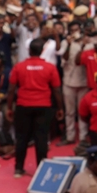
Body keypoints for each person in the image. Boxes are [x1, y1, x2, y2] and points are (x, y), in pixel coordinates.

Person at [8, 43, 60, 177]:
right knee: (41, 138)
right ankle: (41, 170)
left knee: (22, 138)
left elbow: (11, 89)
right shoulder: (50, 67)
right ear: (42, 50)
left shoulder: (19, 66)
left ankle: (18, 169)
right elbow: (56, 90)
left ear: (29, 50)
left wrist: (9, 107)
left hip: (23, 106)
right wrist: (60, 108)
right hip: (44, 106)